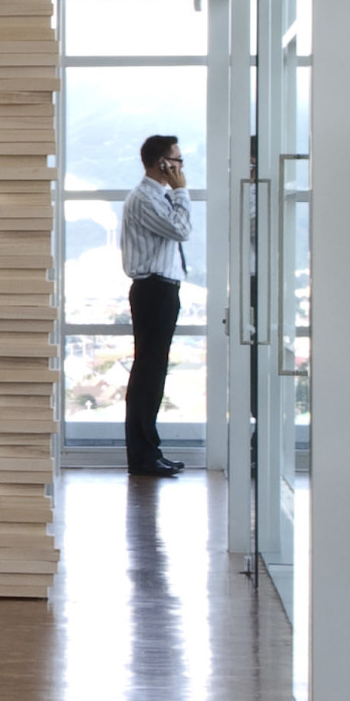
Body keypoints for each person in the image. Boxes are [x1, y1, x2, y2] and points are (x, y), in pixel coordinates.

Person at [118, 133, 191, 478]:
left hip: (160, 290)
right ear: (162, 163)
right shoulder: (147, 199)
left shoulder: (155, 196)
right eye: (177, 160)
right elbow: (181, 230)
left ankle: (150, 451)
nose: (180, 167)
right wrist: (181, 191)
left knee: (153, 372)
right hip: (153, 290)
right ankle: (144, 456)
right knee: (148, 373)